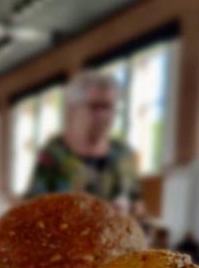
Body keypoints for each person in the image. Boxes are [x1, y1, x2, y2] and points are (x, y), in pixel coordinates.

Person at [24, 71, 143, 215]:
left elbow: (137, 205)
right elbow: (32, 211)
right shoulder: (53, 154)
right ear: (73, 109)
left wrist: (130, 210)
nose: (102, 115)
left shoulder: (124, 154)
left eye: (108, 107)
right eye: (94, 106)